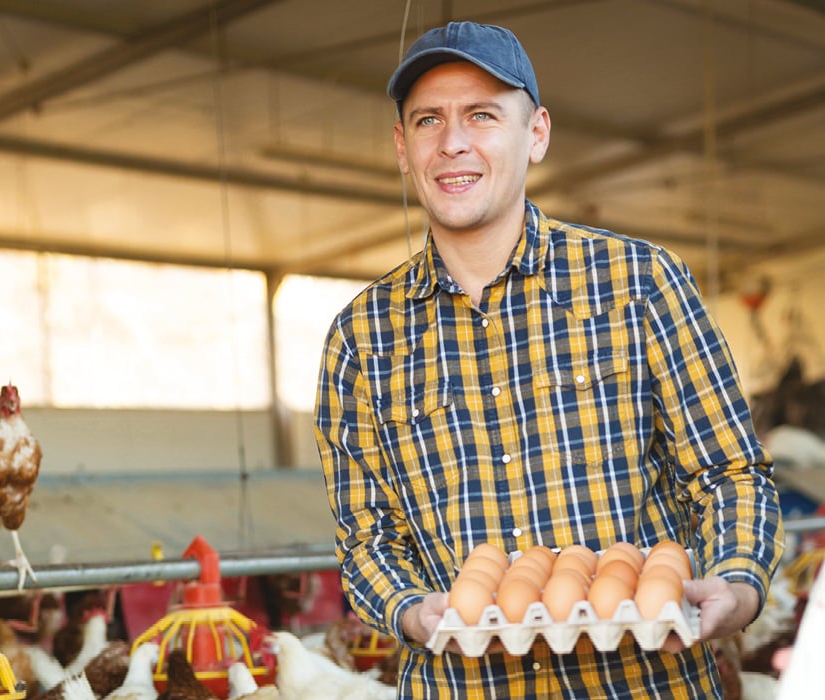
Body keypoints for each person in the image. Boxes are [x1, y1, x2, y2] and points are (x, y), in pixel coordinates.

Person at [313, 20, 784, 698]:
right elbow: (366, 538)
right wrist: (411, 608)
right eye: (427, 121)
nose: (453, 143)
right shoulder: (361, 338)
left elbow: (729, 471)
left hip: (644, 684)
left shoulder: (639, 281)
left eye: (482, 115)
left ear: (536, 133)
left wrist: (739, 583)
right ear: (401, 146)